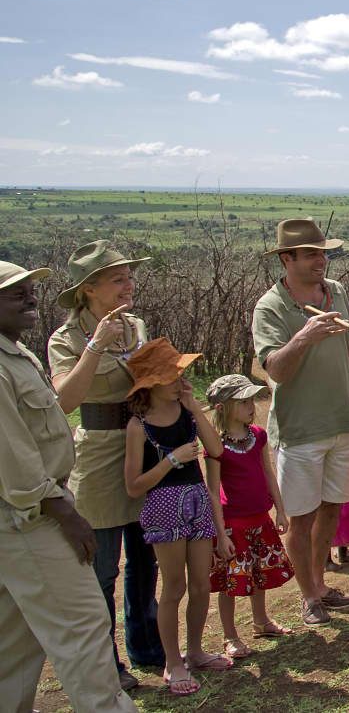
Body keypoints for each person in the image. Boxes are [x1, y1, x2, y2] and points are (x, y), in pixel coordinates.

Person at [0, 260, 137, 712]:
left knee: (17, 639)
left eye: (29, 291)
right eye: (16, 294)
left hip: (31, 510)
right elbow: (16, 462)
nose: (30, 300)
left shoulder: (16, 354)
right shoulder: (38, 351)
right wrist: (63, 510)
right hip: (31, 514)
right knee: (83, 623)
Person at [47, 240, 164, 690]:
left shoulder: (136, 325)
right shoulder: (67, 337)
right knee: (102, 569)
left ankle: (147, 646)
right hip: (97, 455)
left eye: (129, 277)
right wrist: (97, 345)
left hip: (143, 444)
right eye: (118, 278)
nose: (128, 285)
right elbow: (65, 400)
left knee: (144, 559)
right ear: (89, 288)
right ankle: (105, 661)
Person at [252, 218, 349, 626]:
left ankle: (321, 585)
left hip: (341, 420)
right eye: (311, 254)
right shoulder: (271, 306)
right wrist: (304, 336)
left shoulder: (335, 290)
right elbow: (276, 371)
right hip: (300, 428)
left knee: (333, 507)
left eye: (323, 252)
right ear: (286, 259)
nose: (321, 260)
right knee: (301, 516)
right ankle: (309, 597)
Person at [122, 339, 228, 696]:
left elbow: (215, 451)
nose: (179, 380)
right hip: (164, 507)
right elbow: (134, 486)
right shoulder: (139, 426)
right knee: (174, 587)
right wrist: (171, 460)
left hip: (197, 500)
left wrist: (194, 407)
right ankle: (173, 661)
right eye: (171, 376)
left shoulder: (186, 414)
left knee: (200, 583)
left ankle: (195, 651)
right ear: (150, 383)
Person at [204, 374, 293, 659]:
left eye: (251, 400)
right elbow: (213, 489)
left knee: (259, 574)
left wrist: (279, 508)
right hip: (233, 525)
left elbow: (268, 471)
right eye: (243, 402)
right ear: (225, 407)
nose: (251, 406)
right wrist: (219, 533)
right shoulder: (216, 446)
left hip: (260, 519)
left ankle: (261, 621)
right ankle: (230, 636)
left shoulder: (258, 436)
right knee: (231, 583)